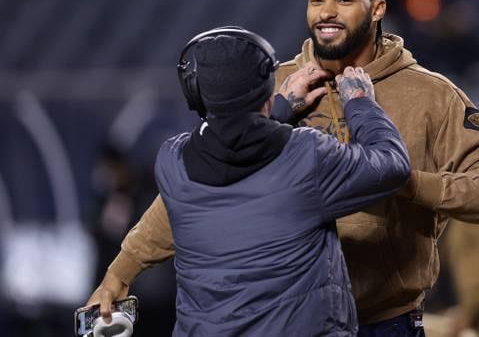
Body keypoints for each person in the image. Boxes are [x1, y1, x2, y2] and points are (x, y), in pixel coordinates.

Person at [87, 0, 479, 336]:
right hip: (287, 322)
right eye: (316, 0)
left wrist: (411, 185)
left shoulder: (431, 95)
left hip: (384, 320)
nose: (326, 12)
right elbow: (195, 190)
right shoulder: (271, 85)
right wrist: (122, 272)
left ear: (378, 10)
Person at [90, 26, 412, 335]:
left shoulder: (173, 164)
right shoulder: (308, 155)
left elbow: (235, 156)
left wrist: (116, 275)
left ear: (197, 95)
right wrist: (359, 103)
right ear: (265, 94)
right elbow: (393, 164)